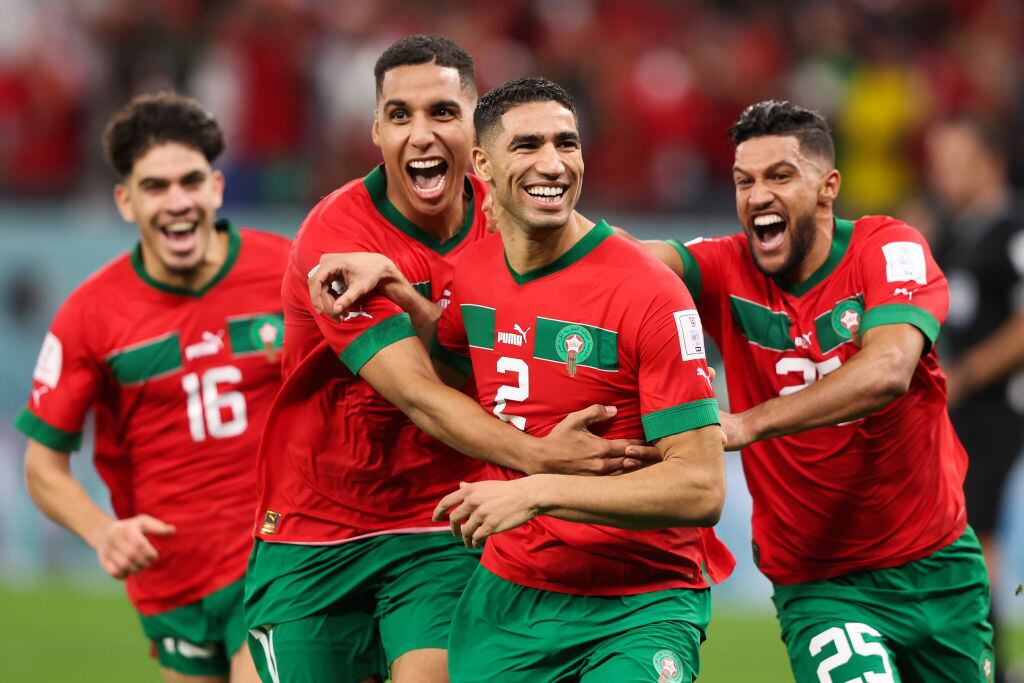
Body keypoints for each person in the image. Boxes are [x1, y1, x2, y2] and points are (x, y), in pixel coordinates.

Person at [244, 36, 654, 683]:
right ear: (376, 130)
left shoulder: (509, 221)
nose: (421, 133)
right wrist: (540, 460)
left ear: (476, 131)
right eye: (400, 115)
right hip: (314, 529)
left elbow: (594, 275)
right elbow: (419, 391)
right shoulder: (339, 238)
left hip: (443, 521)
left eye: (442, 112)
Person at [332, 76, 733, 683]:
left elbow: (702, 488)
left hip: (638, 604)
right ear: (483, 165)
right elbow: (456, 368)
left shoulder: (649, 292)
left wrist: (536, 489)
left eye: (566, 144)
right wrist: (399, 289)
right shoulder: (476, 273)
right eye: (528, 146)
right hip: (510, 601)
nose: (553, 163)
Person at [628, 100, 994, 681]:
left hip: (939, 566)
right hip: (821, 583)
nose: (757, 196)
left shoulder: (888, 249)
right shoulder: (725, 268)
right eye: (744, 181)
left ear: (828, 187)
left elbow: (888, 370)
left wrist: (749, 423)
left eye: (780, 176)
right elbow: (624, 264)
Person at [15, 92, 289, 682]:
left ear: (216, 187)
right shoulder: (90, 314)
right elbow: (42, 463)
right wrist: (101, 531)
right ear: (125, 200)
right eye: (155, 187)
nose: (178, 202)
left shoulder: (288, 274)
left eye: (190, 181)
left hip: (279, 562)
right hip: (171, 581)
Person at [924, 115, 1024, 682]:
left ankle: (989, 662)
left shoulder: (1012, 228)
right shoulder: (954, 231)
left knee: (974, 535)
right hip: (954, 412)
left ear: (990, 161)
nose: (943, 173)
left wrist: (967, 374)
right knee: (956, 536)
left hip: (992, 412)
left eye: (955, 161)